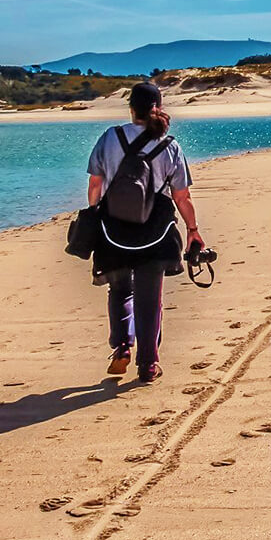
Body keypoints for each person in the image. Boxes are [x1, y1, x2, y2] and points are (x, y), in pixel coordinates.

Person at [87, 82, 200, 383]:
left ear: (130, 109)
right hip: (157, 230)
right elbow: (182, 197)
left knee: (120, 289)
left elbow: (96, 184)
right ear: (158, 108)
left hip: (114, 229)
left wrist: (95, 212)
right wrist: (193, 230)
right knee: (151, 298)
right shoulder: (170, 145)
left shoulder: (111, 137)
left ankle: (123, 346)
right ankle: (148, 365)